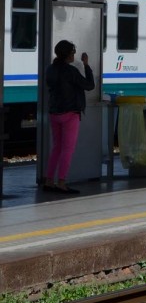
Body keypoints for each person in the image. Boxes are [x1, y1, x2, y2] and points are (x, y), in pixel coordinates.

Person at [44, 39, 95, 194]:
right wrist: (86, 65)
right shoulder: (71, 71)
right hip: (70, 114)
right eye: (72, 52)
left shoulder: (50, 69)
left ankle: (49, 181)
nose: (74, 54)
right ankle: (61, 182)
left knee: (57, 148)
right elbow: (89, 85)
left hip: (54, 113)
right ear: (67, 54)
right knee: (67, 149)